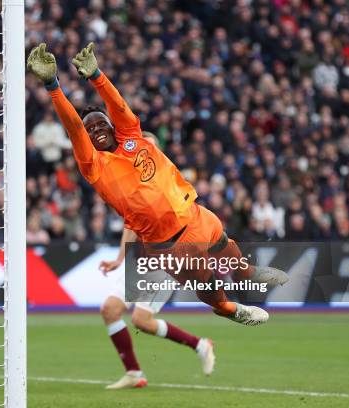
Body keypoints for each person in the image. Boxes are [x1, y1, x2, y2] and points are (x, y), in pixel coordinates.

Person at [27, 42, 288, 327]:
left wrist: (97, 76)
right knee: (208, 284)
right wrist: (53, 85)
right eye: (90, 130)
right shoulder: (94, 165)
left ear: (113, 126)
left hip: (194, 214)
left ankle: (248, 275)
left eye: (100, 124)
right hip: (170, 244)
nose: (95, 130)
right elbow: (74, 127)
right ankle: (228, 309)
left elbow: (118, 106)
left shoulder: (133, 137)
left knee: (225, 245)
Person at [97, 132, 215, 389]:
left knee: (141, 320)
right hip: (139, 263)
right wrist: (119, 259)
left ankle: (200, 345)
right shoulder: (130, 189)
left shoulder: (168, 186)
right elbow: (130, 225)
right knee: (110, 310)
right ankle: (134, 373)